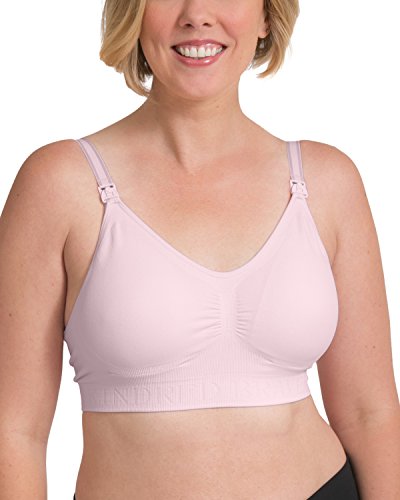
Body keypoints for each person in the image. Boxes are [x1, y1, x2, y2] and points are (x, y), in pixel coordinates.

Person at [1, 0, 399, 498]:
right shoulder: (61, 183)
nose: (197, 14)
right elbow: (14, 429)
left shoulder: (325, 182)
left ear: (265, 16)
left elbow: (369, 413)